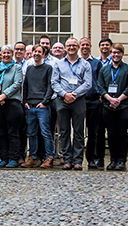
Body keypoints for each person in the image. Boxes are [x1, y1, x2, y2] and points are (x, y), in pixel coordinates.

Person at [51, 37, 93, 170]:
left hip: (78, 100)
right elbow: (54, 82)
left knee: (79, 131)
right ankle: (67, 159)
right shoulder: (59, 64)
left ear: (78, 47)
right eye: (68, 46)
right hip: (62, 100)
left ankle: (78, 160)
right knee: (64, 131)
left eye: (74, 45)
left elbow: (88, 84)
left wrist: (74, 95)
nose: (71, 48)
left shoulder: (85, 64)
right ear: (65, 48)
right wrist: (65, 94)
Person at [98, 43, 128, 171]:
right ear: (110, 54)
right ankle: (113, 160)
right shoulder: (104, 70)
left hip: (123, 106)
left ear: (122, 54)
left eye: (118, 52)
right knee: (111, 134)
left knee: (122, 134)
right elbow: (100, 86)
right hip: (108, 106)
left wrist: (119, 99)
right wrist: (110, 99)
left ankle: (121, 160)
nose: (115, 55)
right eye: (113, 52)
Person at [21, 43, 54, 168]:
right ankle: (33, 157)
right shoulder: (29, 68)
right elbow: (26, 86)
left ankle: (49, 157)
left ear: (43, 54)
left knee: (46, 132)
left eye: (39, 52)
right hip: (30, 106)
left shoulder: (48, 68)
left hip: (42, 106)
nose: (36, 54)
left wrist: (45, 102)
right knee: (31, 133)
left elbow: (50, 87)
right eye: (35, 51)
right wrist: (25, 102)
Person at [0, 46, 24, 168]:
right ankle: (4, 158)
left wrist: (4, 95)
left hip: (12, 103)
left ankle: (13, 158)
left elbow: (17, 84)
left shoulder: (17, 68)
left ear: (12, 54)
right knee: (1, 132)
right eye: (4, 53)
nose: (5, 55)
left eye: (8, 53)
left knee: (13, 132)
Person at [80, 37, 105, 169]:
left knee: (93, 131)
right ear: (80, 47)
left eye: (87, 45)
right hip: (78, 100)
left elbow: (101, 80)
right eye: (82, 45)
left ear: (90, 47)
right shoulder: (75, 62)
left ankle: (92, 158)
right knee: (78, 131)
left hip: (94, 100)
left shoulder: (96, 63)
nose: (85, 47)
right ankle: (77, 158)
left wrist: (101, 95)